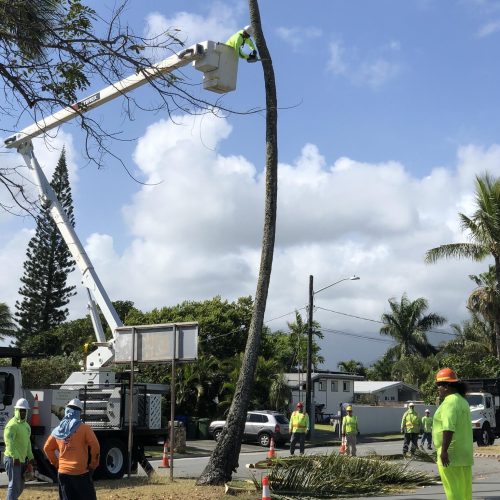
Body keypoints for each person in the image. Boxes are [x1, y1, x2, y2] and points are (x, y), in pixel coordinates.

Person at [44, 398, 100, 500]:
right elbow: (95, 446)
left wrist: (57, 463)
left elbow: (47, 448)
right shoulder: (85, 429)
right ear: (79, 413)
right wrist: (93, 465)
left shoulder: (58, 430)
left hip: (63, 473)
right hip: (80, 473)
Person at [432, 368, 473, 500]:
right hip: (464, 455)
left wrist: (444, 451)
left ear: (447, 386)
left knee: (453, 491)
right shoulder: (463, 401)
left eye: (439, 385)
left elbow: (448, 428)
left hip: (451, 456)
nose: (438, 389)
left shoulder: (449, 403)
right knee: (465, 492)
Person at [3, 398, 34, 500]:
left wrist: (30, 457)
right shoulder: (12, 425)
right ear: (16, 411)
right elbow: (9, 443)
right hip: (12, 459)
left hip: (21, 460)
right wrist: (15, 457)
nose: (23, 412)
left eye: (24, 410)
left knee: (20, 486)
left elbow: (28, 443)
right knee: (14, 485)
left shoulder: (26, 426)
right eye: (21, 410)